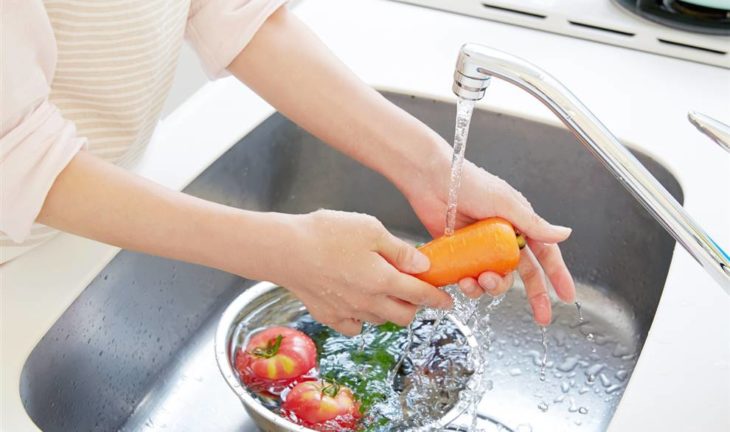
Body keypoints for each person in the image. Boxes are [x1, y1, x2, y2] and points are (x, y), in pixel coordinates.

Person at [1, 1, 575, 336]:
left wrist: (430, 168)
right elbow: (13, 152)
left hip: (100, 211)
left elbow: (227, 10)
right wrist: (283, 251)